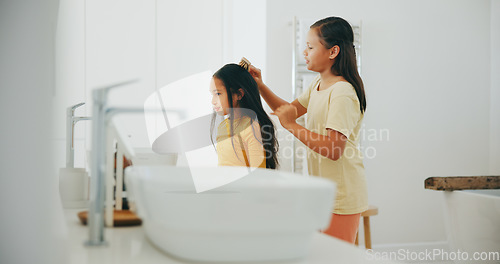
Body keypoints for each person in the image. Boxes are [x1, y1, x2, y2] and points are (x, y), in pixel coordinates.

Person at [248, 16, 368, 243]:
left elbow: (334, 149)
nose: (305, 52)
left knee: (334, 259)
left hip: (341, 196)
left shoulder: (342, 92)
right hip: (322, 191)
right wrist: (260, 86)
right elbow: (288, 110)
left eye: (310, 47)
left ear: (333, 52)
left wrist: (292, 126)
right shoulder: (318, 85)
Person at [210, 63, 279, 169]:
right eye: (212, 94)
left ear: (239, 94)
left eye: (218, 94)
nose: (213, 101)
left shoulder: (252, 128)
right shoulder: (222, 126)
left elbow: (258, 174)